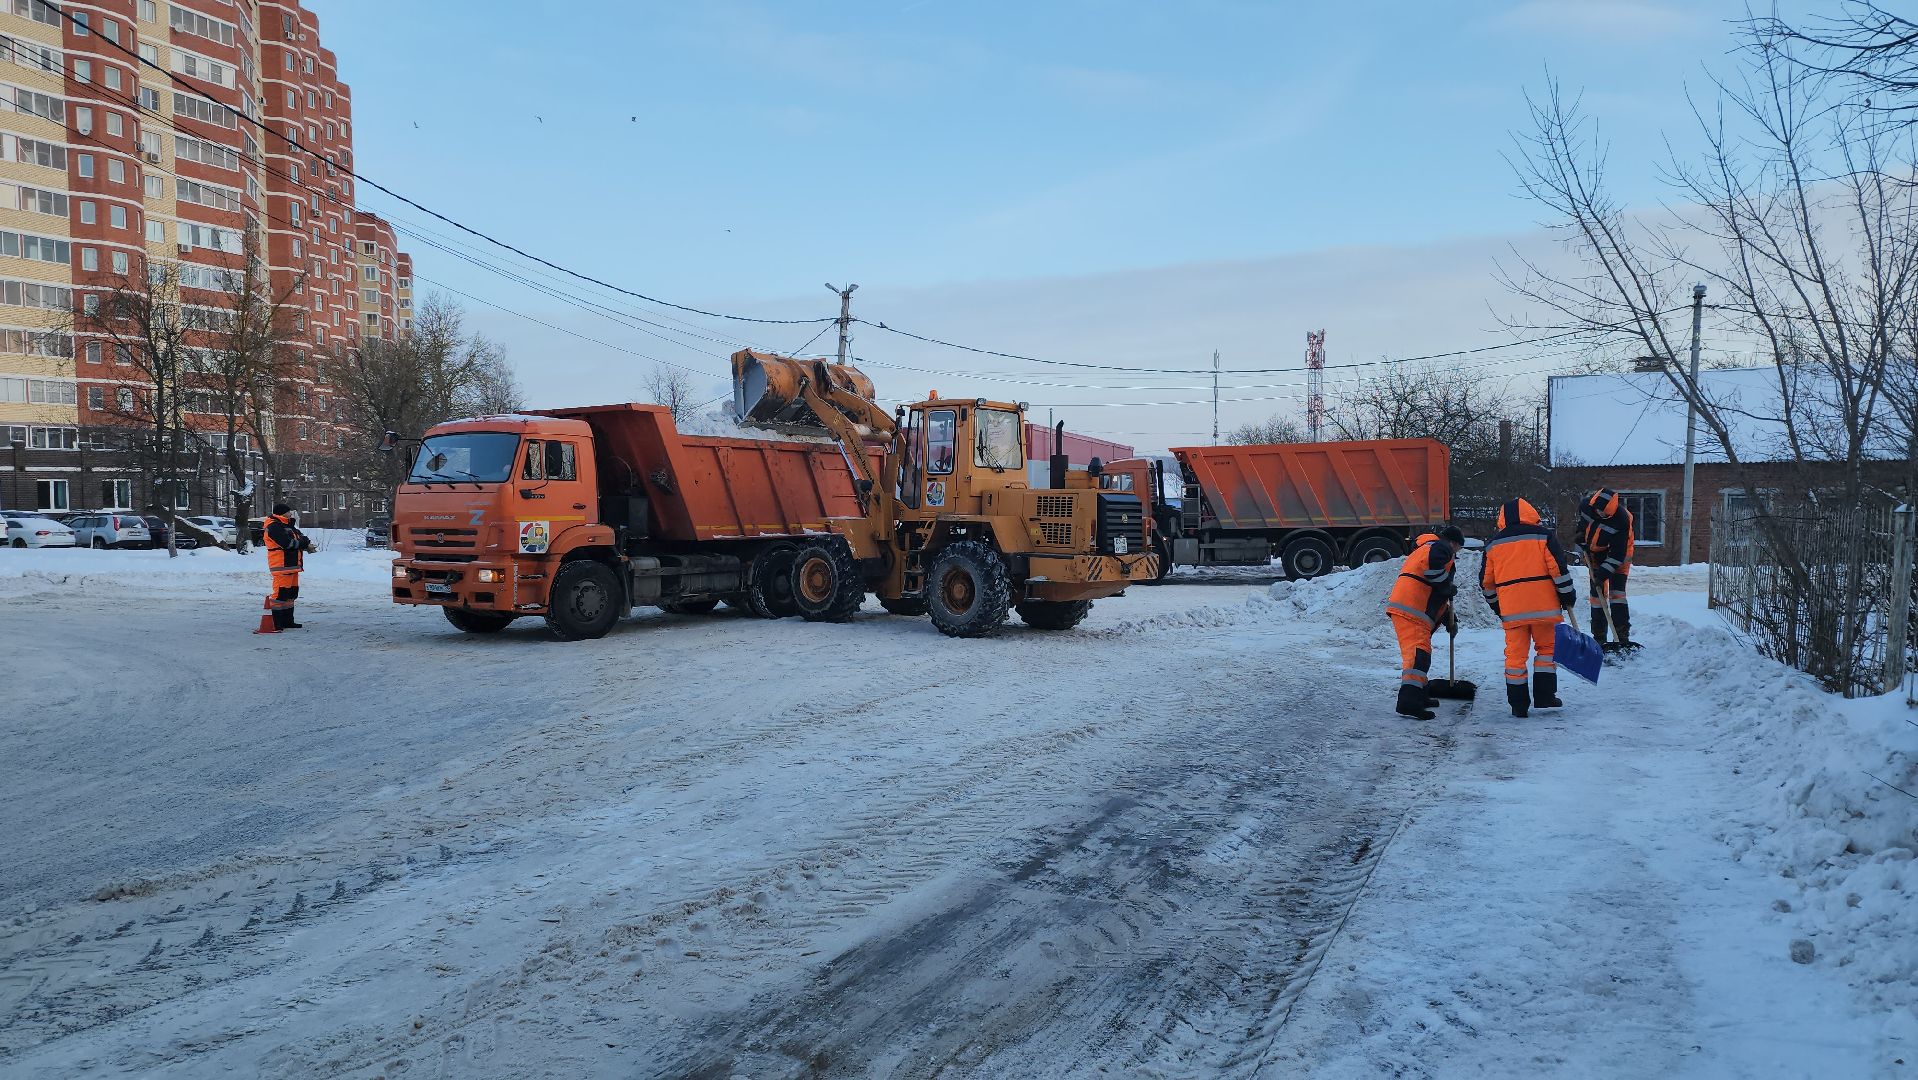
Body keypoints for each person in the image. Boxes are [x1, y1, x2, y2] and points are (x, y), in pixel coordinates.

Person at [1479, 498, 1576, 718]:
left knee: (1515, 657)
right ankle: (1545, 696)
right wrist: (1567, 595)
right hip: (1545, 609)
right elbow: (1558, 571)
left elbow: (1486, 583)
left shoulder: (1493, 545)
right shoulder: (1543, 536)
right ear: (1531, 512)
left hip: (1512, 611)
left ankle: (1518, 705)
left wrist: (1498, 607)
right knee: (1547, 650)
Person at [1385, 524, 1464, 720]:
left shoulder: (1427, 548)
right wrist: (1447, 585)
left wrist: (1448, 617)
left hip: (1411, 607)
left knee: (1421, 653)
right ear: (1454, 543)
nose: (1456, 553)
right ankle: (1408, 703)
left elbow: (1432, 590)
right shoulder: (1441, 547)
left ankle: (1420, 694)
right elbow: (1434, 574)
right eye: (1458, 548)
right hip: (1412, 609)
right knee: (1418, 656)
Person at [1576, 488, 1635, 650]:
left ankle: (1621, 637)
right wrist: (1581, 537)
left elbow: (1617, 554)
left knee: (1617, 595)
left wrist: (1603, 573)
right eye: (1598, 511)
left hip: (1619, 554)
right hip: (1596, 552)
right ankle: (1599, 637)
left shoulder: (1622, 520)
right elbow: (1583, 525)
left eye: (1604, 513)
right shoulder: (1587, 507)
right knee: (1597, 596)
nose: (1600, 514)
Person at [260, 502, 312, 632]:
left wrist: (304, 543)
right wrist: (303, 543)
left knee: (291, 594)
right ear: (282, 513)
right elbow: (287, 543)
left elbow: (301, 538)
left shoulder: (288, 525)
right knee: (280, 594)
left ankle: (288, 621)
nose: (291, 513)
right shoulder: (274, 527)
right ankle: (276, 623)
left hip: (292, 565)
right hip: (281, 565)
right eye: (289, 512)